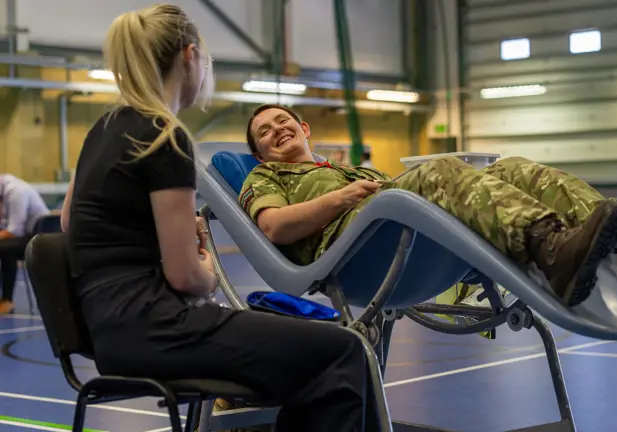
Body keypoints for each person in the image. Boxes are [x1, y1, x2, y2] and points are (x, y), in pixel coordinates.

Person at [63, 5, 380, 432]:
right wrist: (207, 269)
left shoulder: (100, 129)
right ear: (191, 57)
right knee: (343, 352)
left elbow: (69, 224)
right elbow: (186, 280)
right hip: (158, 330)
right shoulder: (165, 135)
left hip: (108, 330)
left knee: (309, 358)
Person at [240, 104, 617, 307]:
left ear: (303, 128)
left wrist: (362, 186)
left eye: (283, 120)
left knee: (511, 168)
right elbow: (276, 228)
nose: (277, 129)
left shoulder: (349, 168)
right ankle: (552, 248)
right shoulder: (266, 176)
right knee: (439, 170)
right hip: (357, 254)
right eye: (265, 131)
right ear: (260, 153)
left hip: (399, 228)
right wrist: (341, 197)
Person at [0, 174, 50, 314]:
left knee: (5, 249)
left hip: (38, 239)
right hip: (25, 236)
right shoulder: (4, 193)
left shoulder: (16, 191)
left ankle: (7, 300)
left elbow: (14, 231)